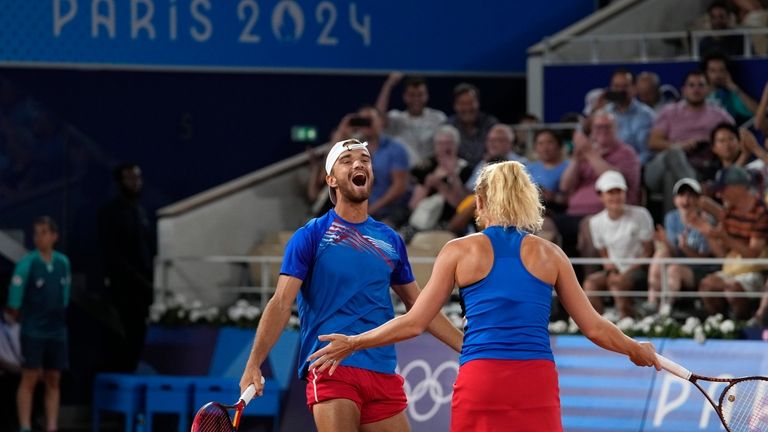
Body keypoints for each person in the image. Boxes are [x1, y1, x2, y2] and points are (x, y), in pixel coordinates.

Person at [307, 161, 660, 432]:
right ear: (527, 199)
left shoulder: (459, 251)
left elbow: (416, 321)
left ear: (481, 200)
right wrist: (635, 348)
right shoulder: (551, 254)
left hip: (482, 378)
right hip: (535, 381)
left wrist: (354, 342)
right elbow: (595, 327)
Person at [238, 139, 463, 432]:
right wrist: (254, 362)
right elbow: (281, 303)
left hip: (381, 369)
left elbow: (421, 307)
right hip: (332, 368)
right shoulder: (311, 236)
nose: (358, 164)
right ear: (331, 179)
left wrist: (467, 346)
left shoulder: (390, 240)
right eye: (347, 160)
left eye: (364, 160)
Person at [5, 216, 70, 432]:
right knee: (30, 378)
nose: (38, 237)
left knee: (54, 378)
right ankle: (25, 426)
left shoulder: (62, 262)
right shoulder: (28, 263)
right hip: (33, 330)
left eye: (43, 232)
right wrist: (15, 314)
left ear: (54, 236)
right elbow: (14, 298)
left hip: (56, 331)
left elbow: (65, 296)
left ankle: (51, 426)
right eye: (36, 233)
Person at [645, 70, 734, 213]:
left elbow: (734, 138)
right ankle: (695, 191)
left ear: (708, 89)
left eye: (700, 85)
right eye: (691, 85)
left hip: (699, 167)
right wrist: (680, 145)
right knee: (674, 154)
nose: (696, 89)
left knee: (671, 178)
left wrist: (709, 142)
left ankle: (676, 227)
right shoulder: (670, 111)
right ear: (684, 90)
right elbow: (653, 142)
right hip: (659, 167)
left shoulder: (718, 114)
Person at [691, 165, 768, 320]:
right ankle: (719, 326)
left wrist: (725, 238)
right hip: (730, 270)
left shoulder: (761, 212)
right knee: (707, 286)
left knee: (733, 289)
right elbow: (722, 253)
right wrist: (709, 234)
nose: (719, 194)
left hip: (755, 272)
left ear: (738, 188)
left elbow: (752, 254)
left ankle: (740, 328)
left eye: (723, 189)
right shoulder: (730, 212)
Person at [98, 163, 155, 373]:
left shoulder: (141, 211)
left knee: (137, 339)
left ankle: (129, 377)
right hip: (121, 289)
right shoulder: (110, 213)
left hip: (142, 290)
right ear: (119, 182)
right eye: (130, 178)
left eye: (138, 178)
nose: (135, 182)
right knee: (119, 340)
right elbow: (113, 255)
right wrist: (137, 280)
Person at [583, 171, 654, 319]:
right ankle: (597, 325)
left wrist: (626, 271)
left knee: (618, 283)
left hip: (639, 269)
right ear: (601, 196)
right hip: (614, 271)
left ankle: (626, 324)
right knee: (590, 284)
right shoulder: (595, 222)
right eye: (610, 192)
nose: (615, 197)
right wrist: (610, 267)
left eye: (619, 192)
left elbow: (648, 252)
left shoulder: (641, 214)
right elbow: (604, 253)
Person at [646, 178, 718, 316]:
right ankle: (652, 300)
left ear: (699, 200)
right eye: (682, 195)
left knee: (674, 269)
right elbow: (673, 251)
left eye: (691, 195)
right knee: (661, 253)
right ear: (675, 200)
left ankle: (665, 309)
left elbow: (704, 259)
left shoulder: (707, 220)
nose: (686, 199)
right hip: (678, 262)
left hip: (700, 269)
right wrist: (664, 242)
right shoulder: (671, 218)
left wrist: (685, 248)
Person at [331, 107, 411, 228]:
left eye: (370, 120)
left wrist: (371, 209)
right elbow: (333, 164)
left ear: (381, 122)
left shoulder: (395, 149)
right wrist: (343, 131)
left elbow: (399, 187)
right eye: (363, 121)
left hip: (388, 211)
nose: (367, 125)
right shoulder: (354, 147)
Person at [375, 72, 447, 165]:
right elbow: (378, 118)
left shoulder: (438, 118)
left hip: (431, 171)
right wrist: (388, 85)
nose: (416, 99)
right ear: (405, 96)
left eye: (420, 94)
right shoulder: (396, 118)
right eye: (412, 95)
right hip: (403, 171)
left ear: (427, 95)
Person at [602, 69, 657, 164]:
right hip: (608, 166)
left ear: (634, 89)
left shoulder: (647, 115)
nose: (620, 90)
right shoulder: (604, 112)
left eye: (624, 86)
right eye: (616, 86)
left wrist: (631, 166)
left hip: (639, 166)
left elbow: (647, 152)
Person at [446, 83, 499, 167]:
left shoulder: (491, 125)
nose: (467, 108)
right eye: (462, 103)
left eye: (470, 103)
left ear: (478, 103)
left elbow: (499, 152)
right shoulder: (448, 127)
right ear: (455, 106)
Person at [703, 52, 758, 126]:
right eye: (713, 71)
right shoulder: (698, 93)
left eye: (721, 70)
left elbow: (757, 112)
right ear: (706, 73)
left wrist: (735, 89)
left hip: (725, 134)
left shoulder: (732, 94)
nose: (718, 75)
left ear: (727, 72)